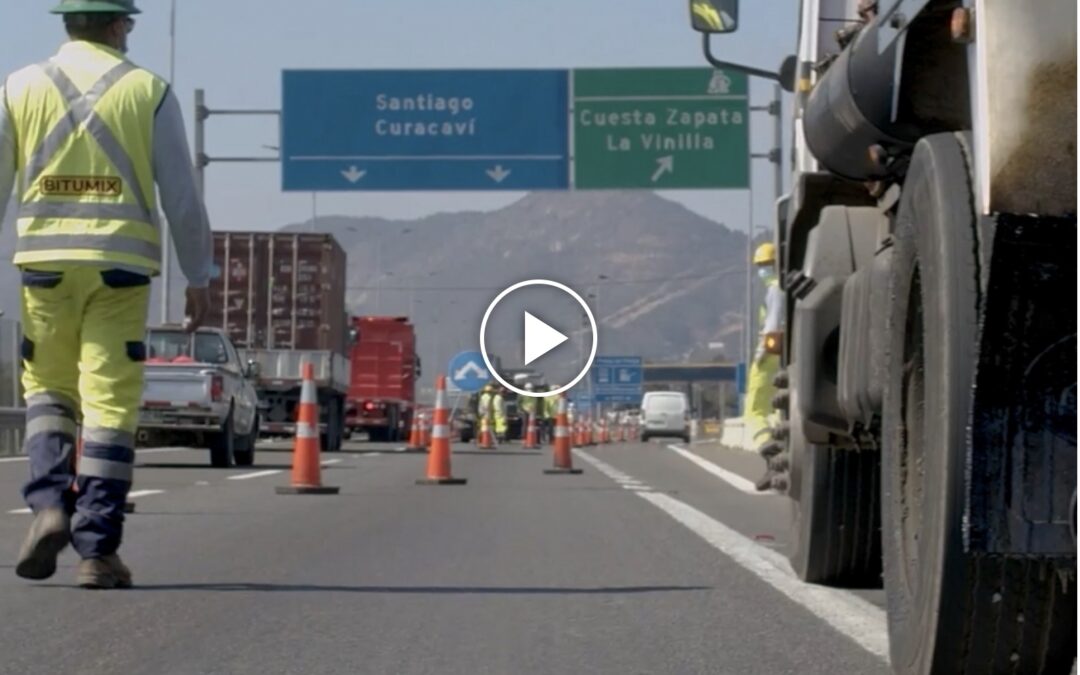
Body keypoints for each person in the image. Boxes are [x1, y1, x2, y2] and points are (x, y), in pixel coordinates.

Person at [2, 0, 214, 588]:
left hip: (44, 266)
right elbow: (181, 196)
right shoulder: (148, 91)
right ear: (118, 25)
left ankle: (49, 505)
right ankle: (96, 550)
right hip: (119, 268)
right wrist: (199, 275)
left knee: (48, 389)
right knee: (109, 402)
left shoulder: (19, 87)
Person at [747, 242, 784, 491]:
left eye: (766, 265)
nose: (763, 270)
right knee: (779, 408)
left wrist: (761, 353)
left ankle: (772, 458)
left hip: (770, 355)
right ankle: (779, 461)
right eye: (760, 265)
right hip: (784, 354)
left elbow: (772, 325)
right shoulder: (784, 288)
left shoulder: (775, 289)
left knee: (754, 411)